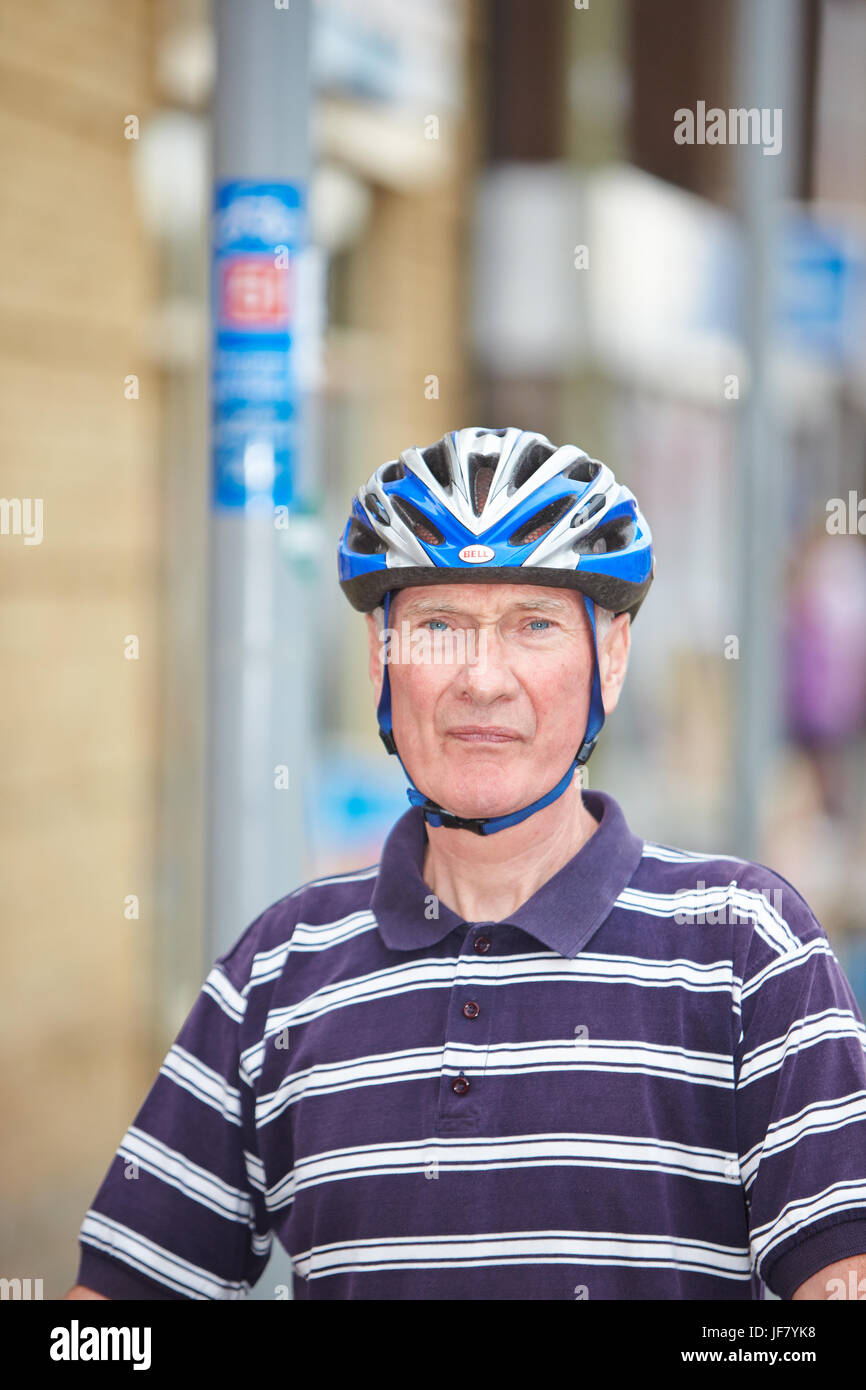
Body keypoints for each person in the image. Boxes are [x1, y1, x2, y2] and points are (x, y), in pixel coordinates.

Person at [67, 426, 866, 1301]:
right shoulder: (279, 968)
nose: (482, 679)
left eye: (534, 625)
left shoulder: (746, 947)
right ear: (381, 658)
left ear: (614, 656)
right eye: (440, 627)